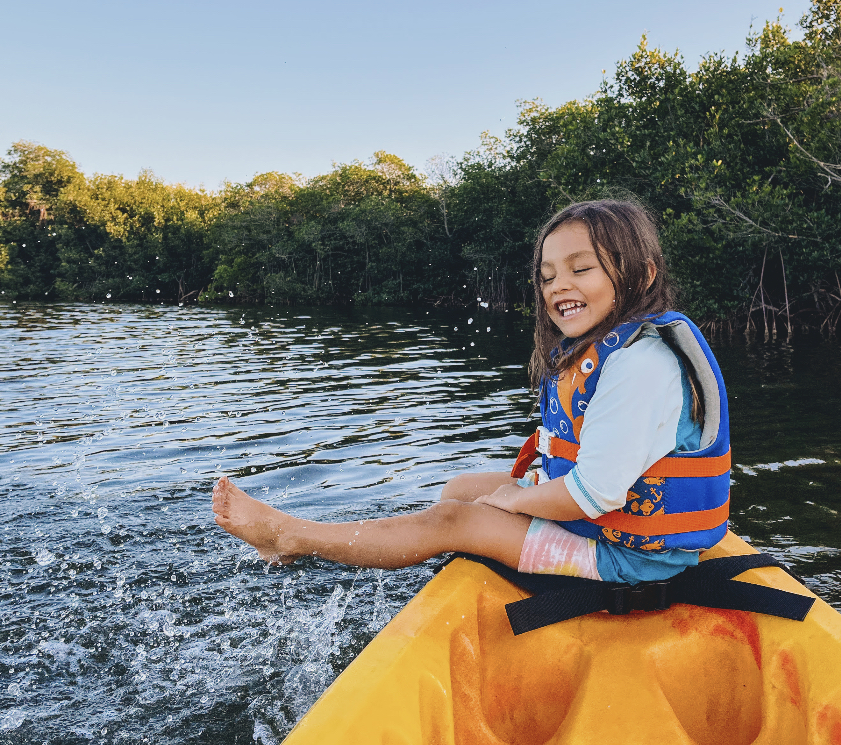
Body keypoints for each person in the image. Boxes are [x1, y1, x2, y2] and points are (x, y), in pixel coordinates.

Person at [211, 198, 731, 584]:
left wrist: (514, 500)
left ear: (642, 275)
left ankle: (291, 536)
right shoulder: (611, 349)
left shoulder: (641, 364)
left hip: (634, 559)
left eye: (581, 269)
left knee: (452, 519)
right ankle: (460, 557)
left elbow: (592, 495)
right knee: (460, 487)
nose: (558, 286)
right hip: (609, 527)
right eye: (547, 276)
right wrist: (512, 497)